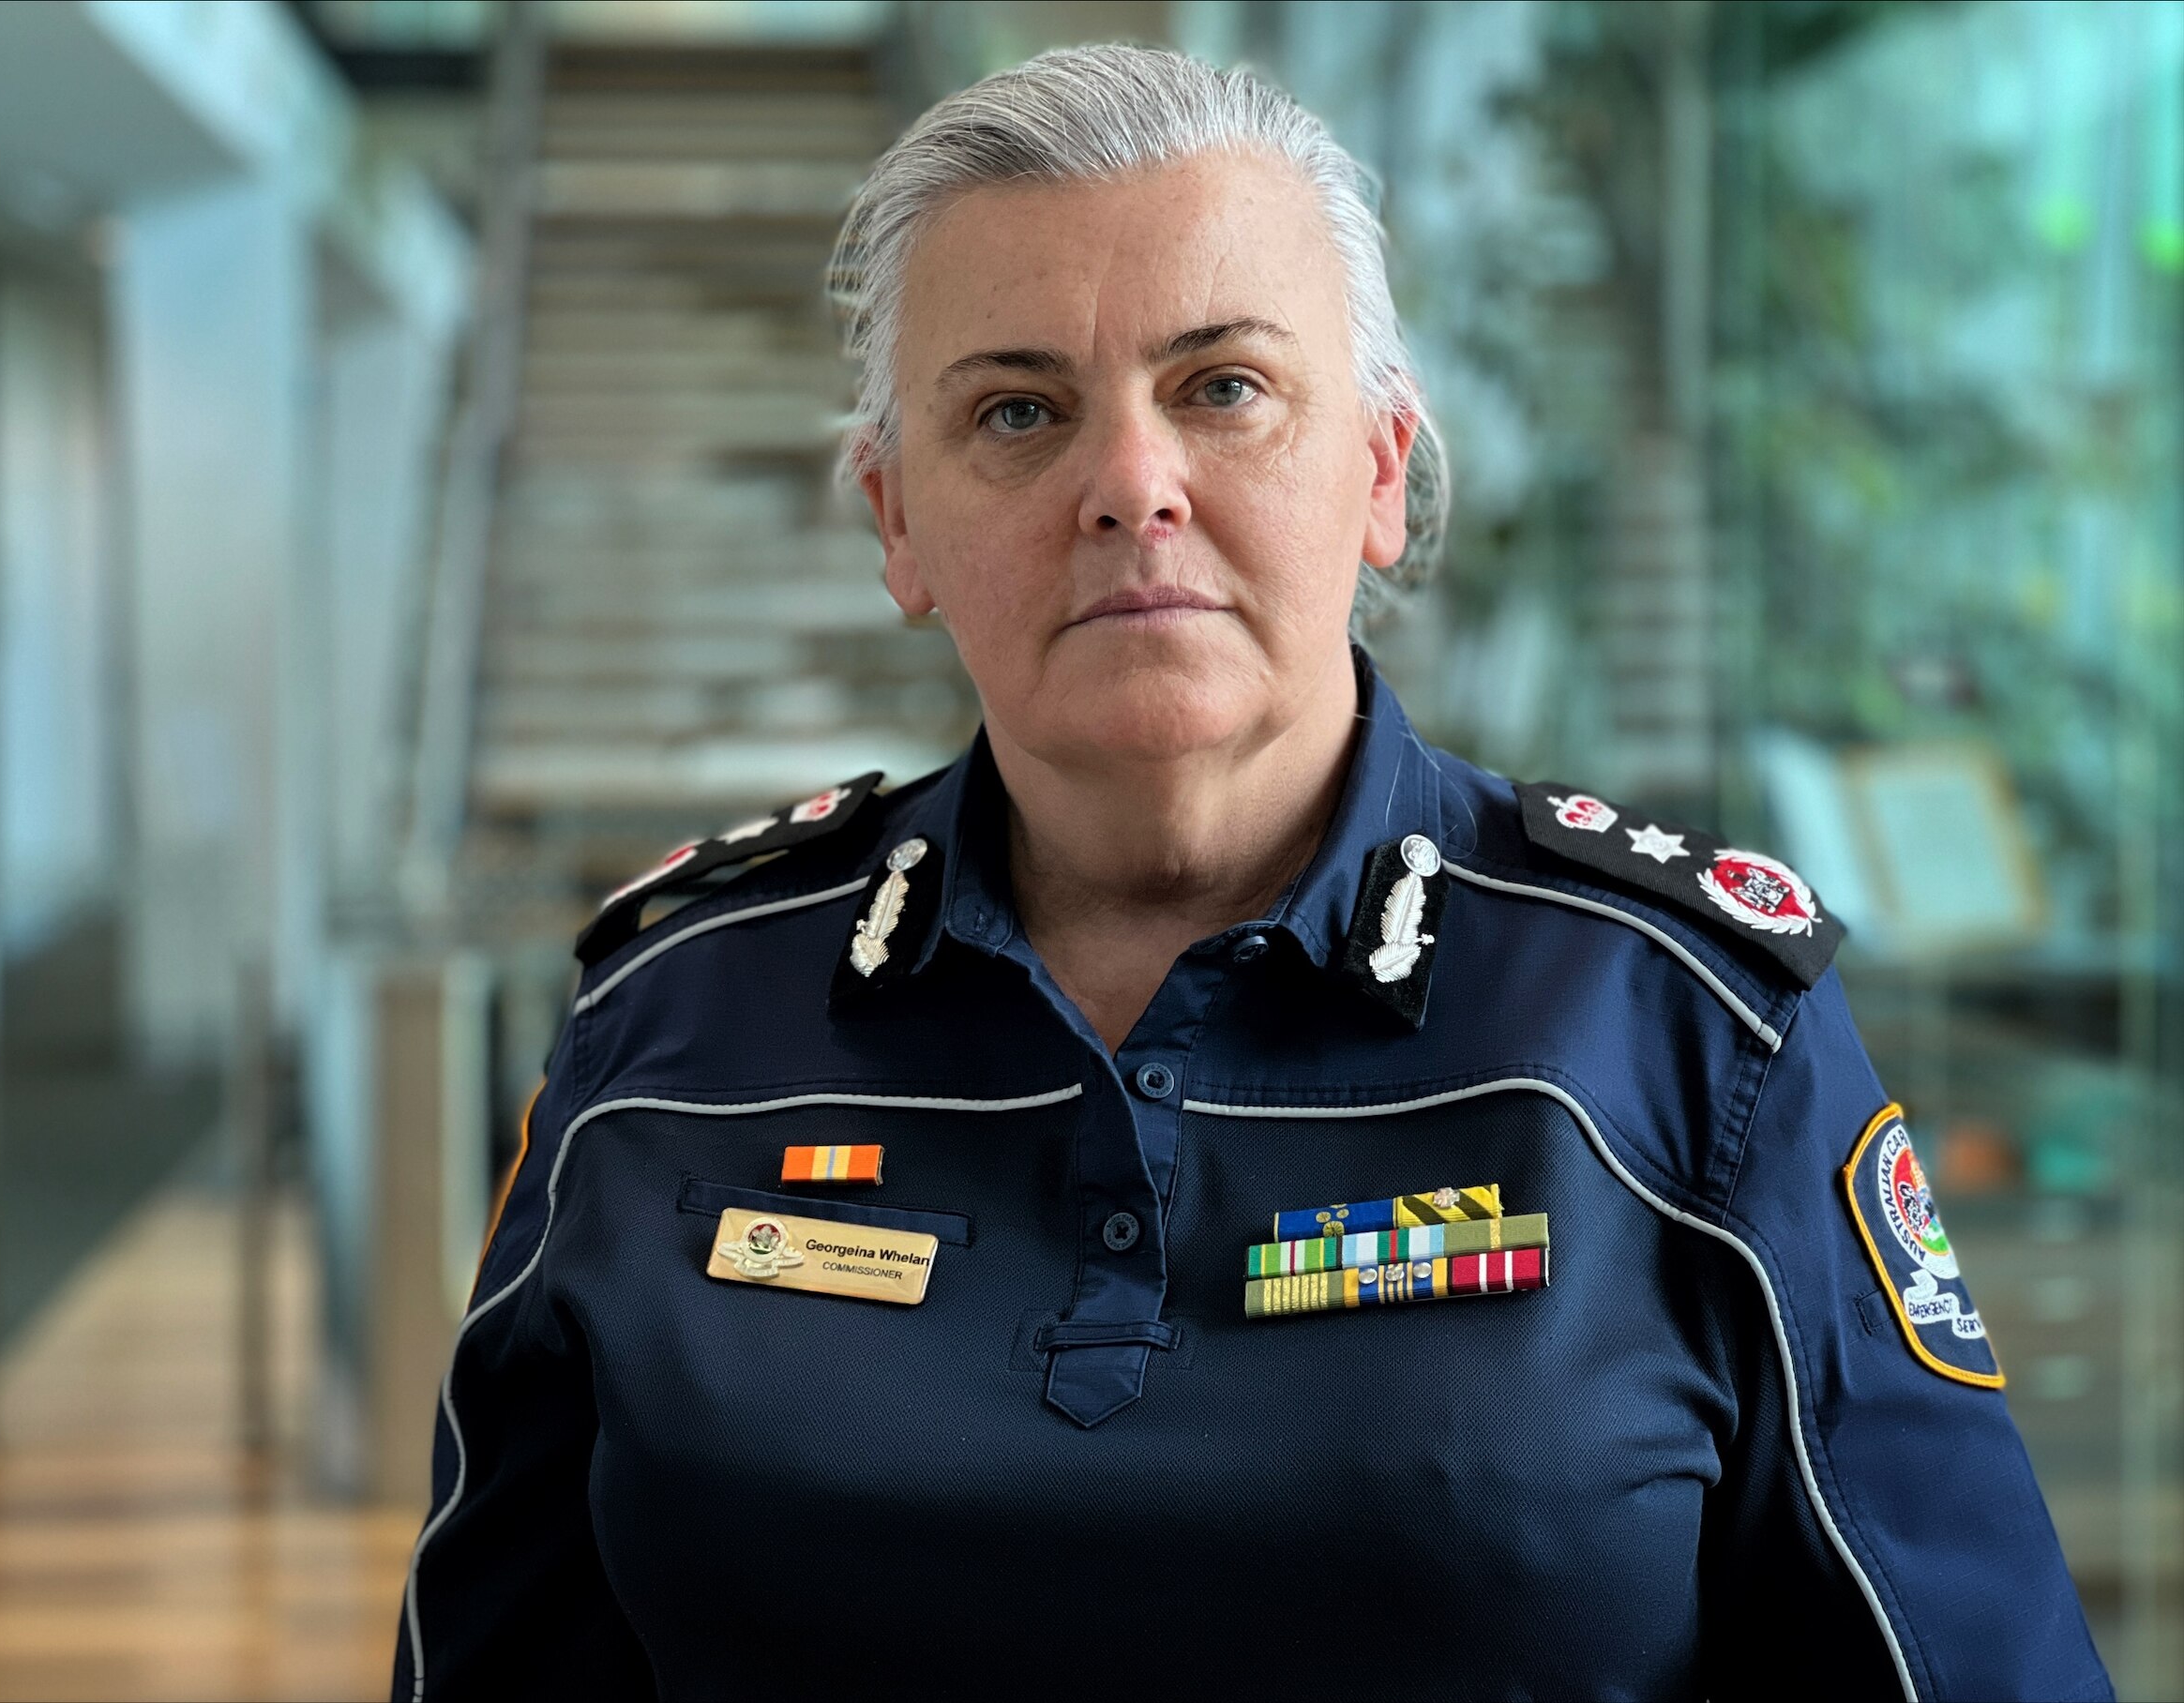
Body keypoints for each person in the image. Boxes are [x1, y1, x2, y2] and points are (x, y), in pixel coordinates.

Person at [394, 44, 2109, 1701]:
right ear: (896, 519)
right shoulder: (671, 1031)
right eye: (1016, 412)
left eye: (1223, 389)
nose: (1132, 486)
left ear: (1376, 469)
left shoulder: (1690, 1041)